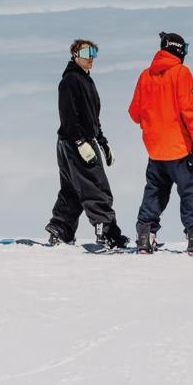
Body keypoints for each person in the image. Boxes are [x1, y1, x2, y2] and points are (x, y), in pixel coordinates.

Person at [128, 32, 193, 255]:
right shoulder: (181, 73)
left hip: (155, 149)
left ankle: (145, 236)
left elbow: (134, 113)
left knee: (154, 192)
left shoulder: (145, 75)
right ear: (177, 49)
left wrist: (152, 124)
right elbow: (188, 112)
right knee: (190, 193)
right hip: (180, 149)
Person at [44, 40, 129, 249]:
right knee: (97, 187)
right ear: (74, 54)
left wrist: (103, 142)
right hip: (75, 142)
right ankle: (106, 231)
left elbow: (92, 117)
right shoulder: (70, 80)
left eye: (94, 52)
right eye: (85, 52)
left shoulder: (85, 80)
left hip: (72, 142)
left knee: (72, 189)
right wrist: (81, 142)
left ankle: (61, 229)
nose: (90, 56)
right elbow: (68, 115)